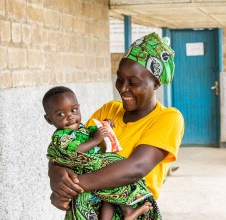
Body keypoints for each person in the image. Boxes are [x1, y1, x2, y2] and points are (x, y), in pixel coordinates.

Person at [48, 32, 185, 219]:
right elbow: (70, 147)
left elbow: (136, 167)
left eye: (133, 82)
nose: (122, 87)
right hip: (88, 208)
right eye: (119, 78)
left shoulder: (168, 118)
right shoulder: (109, 110)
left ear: (156, 83)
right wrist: (56, 177)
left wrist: (73, 186)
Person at [43, 86, 158, 220]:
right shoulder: (61, 136)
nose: (70, 116)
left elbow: (93, 130)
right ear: (49, 119)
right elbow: (74, 152)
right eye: (61, 114)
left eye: (74, 110)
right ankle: (127, 211)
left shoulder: (81, 129)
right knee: (110, 186)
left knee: (110, 194)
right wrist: (95, 140)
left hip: (94, 176)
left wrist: (105, 125)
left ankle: (127, 212)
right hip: (85, 171)